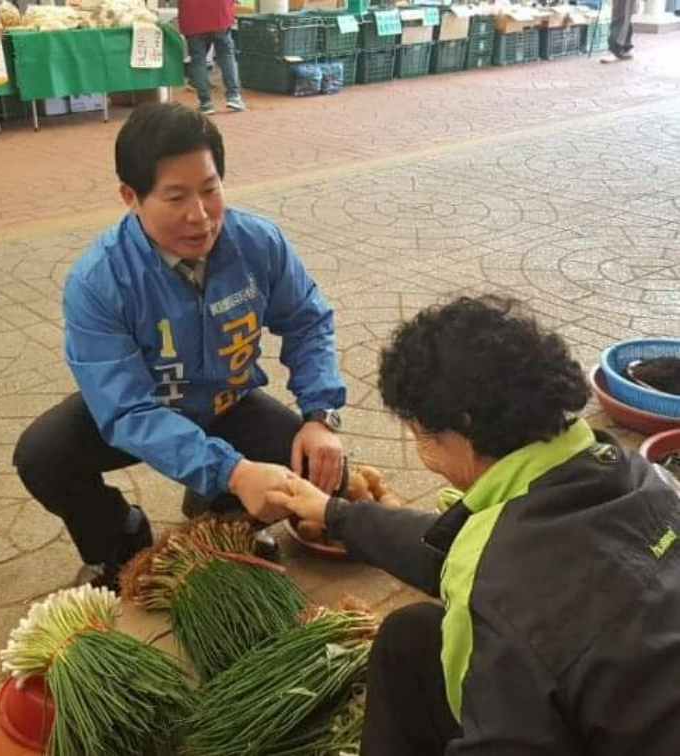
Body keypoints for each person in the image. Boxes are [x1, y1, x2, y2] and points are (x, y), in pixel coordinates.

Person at [268, 295, 680, 756]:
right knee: (413, 636)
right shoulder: (640, 477)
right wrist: (334, 514)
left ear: (462, 427)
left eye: (420, 435)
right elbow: (463, 549)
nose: (422, 454)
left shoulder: (495, 581)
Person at [13, 102, 346, 591]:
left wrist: (320, 416)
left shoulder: (258, 243)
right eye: (175, 198)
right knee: (43, 456)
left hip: (225, 400)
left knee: (321, 467)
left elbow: (308, 321)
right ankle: (120, 538)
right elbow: (126, 410)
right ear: (131, 196)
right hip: (141, 409)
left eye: (210, 190)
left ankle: (219, 517)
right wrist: (233, 471)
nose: (200, 217)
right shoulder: (98, 281)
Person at [178, 0, 245, 115]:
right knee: (226, 56)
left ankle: (206, 103)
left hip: (193, 16)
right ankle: (234, 96)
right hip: (220, 12)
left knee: (198, 60)